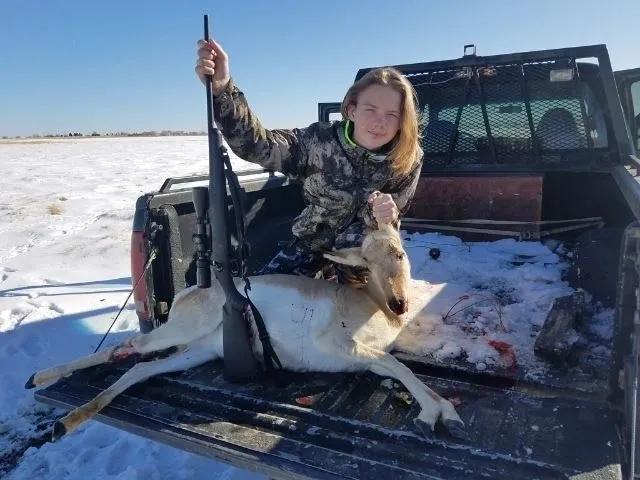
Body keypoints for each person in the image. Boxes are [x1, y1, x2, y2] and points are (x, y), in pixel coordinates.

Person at [195, 38, 423, 285]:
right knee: (262, 298)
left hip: (365, 256)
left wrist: (386, 212)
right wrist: (223, 90)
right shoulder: (316, 140)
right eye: (371, 110)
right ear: (352, 110)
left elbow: (390, 225)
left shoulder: (408, 157)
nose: (380, 122)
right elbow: (259, 146)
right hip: (310, 245)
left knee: (364, 317)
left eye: (392, 114)